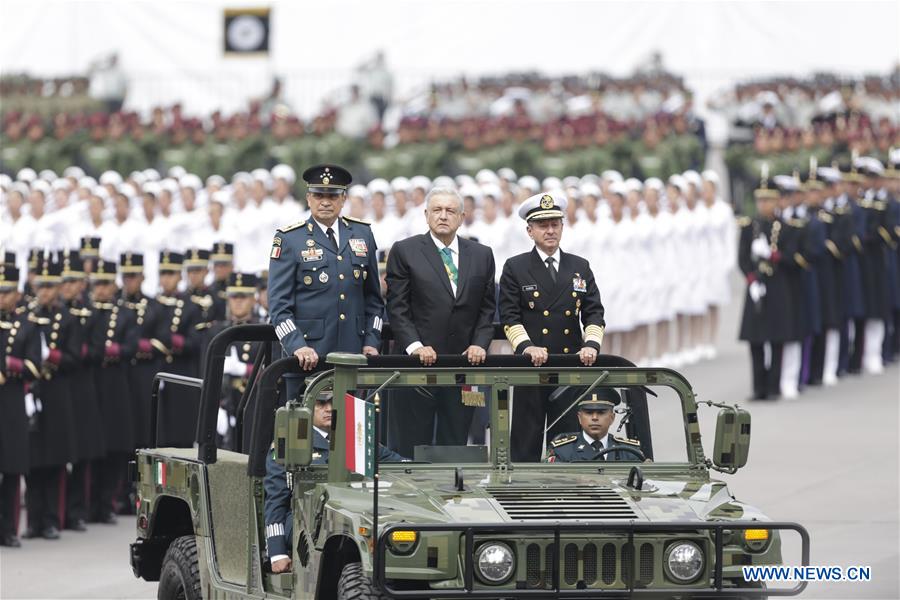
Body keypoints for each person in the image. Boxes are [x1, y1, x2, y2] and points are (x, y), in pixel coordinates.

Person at [385, 187, 496, 457]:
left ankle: (450, 498)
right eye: (437, 210)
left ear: (462, 216)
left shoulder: (481, 254)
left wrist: (480, 344)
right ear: (426, 215)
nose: (443, 216)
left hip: (464, 368)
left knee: (455, 444)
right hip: (417, 368)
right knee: (411, 446)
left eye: (450, 211)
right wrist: (415, 346)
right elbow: (397, 308)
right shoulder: (405, 251)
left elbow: (487, 308)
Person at [498, 192, 606, 462]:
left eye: (555, 224)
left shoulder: (579, 266)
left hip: (569, 365)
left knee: (567, 442)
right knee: (526, 441)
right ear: (530, 230)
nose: (549, 231)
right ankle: (522, 497)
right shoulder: (516, 267)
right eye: (543, 225)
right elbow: (509, 317)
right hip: (530, 368)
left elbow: (594, 312)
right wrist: (526, 347)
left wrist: (591, 344)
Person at [267, 164, 384, 395]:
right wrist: (296, 345)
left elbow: (374, 300)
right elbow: (278, 306)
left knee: (353, 429)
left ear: (343, 199)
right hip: (308, 359)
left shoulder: (362, 234)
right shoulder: (290, 239)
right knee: (304, 428)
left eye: (332, 196)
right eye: (319, 195)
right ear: (308, 198)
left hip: (353, 356)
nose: (325, 202)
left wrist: (372, 340)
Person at [264, 393, 404, 574]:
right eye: (321, 404)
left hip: (359, 514)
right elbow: (276, 498)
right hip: (306, 518)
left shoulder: (356, 438)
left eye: (332, 402)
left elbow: (399, 464)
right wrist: (277, 553)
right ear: (307, 409)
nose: (329, 409)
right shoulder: (290, 443)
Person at [24, 254, 78, 540]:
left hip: (57, 391)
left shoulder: (66, 319)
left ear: (58, 287)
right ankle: (33, 520)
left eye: (50, 285)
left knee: (55, 461)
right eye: (40, 285)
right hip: (34, 392)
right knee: (32, 461)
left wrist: (51, 356)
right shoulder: (26, 316)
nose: (44, 290)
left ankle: (51, 520)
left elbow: (74, 358)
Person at [738, 175, 793, 400]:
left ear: (777, 200)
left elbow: (791, 257)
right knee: (756, 340)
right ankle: (758, 387)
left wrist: (773, 255)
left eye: (768, 200)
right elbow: (741, 257)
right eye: (760, 200)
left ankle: (774, 386)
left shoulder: (785, 227)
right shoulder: (749, 226)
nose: (763, 205)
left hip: (777, 286)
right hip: (756, 286)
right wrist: (751, 279)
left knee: (776, 339)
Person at [0, 266, 41, 547]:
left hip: (12, 400)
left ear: (16, 293)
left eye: (6, 292)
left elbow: (34, 365)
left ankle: (9, 529)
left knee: (11, 469)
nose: (1, 297)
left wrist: (7, 367)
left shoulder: (27, 324)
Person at [545, 388, 643, 462]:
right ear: (579, 418)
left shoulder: (630, 452)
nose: (595, 418)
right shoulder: (562, 451)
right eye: (588, 412)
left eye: (601, 412)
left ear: (612, 418)